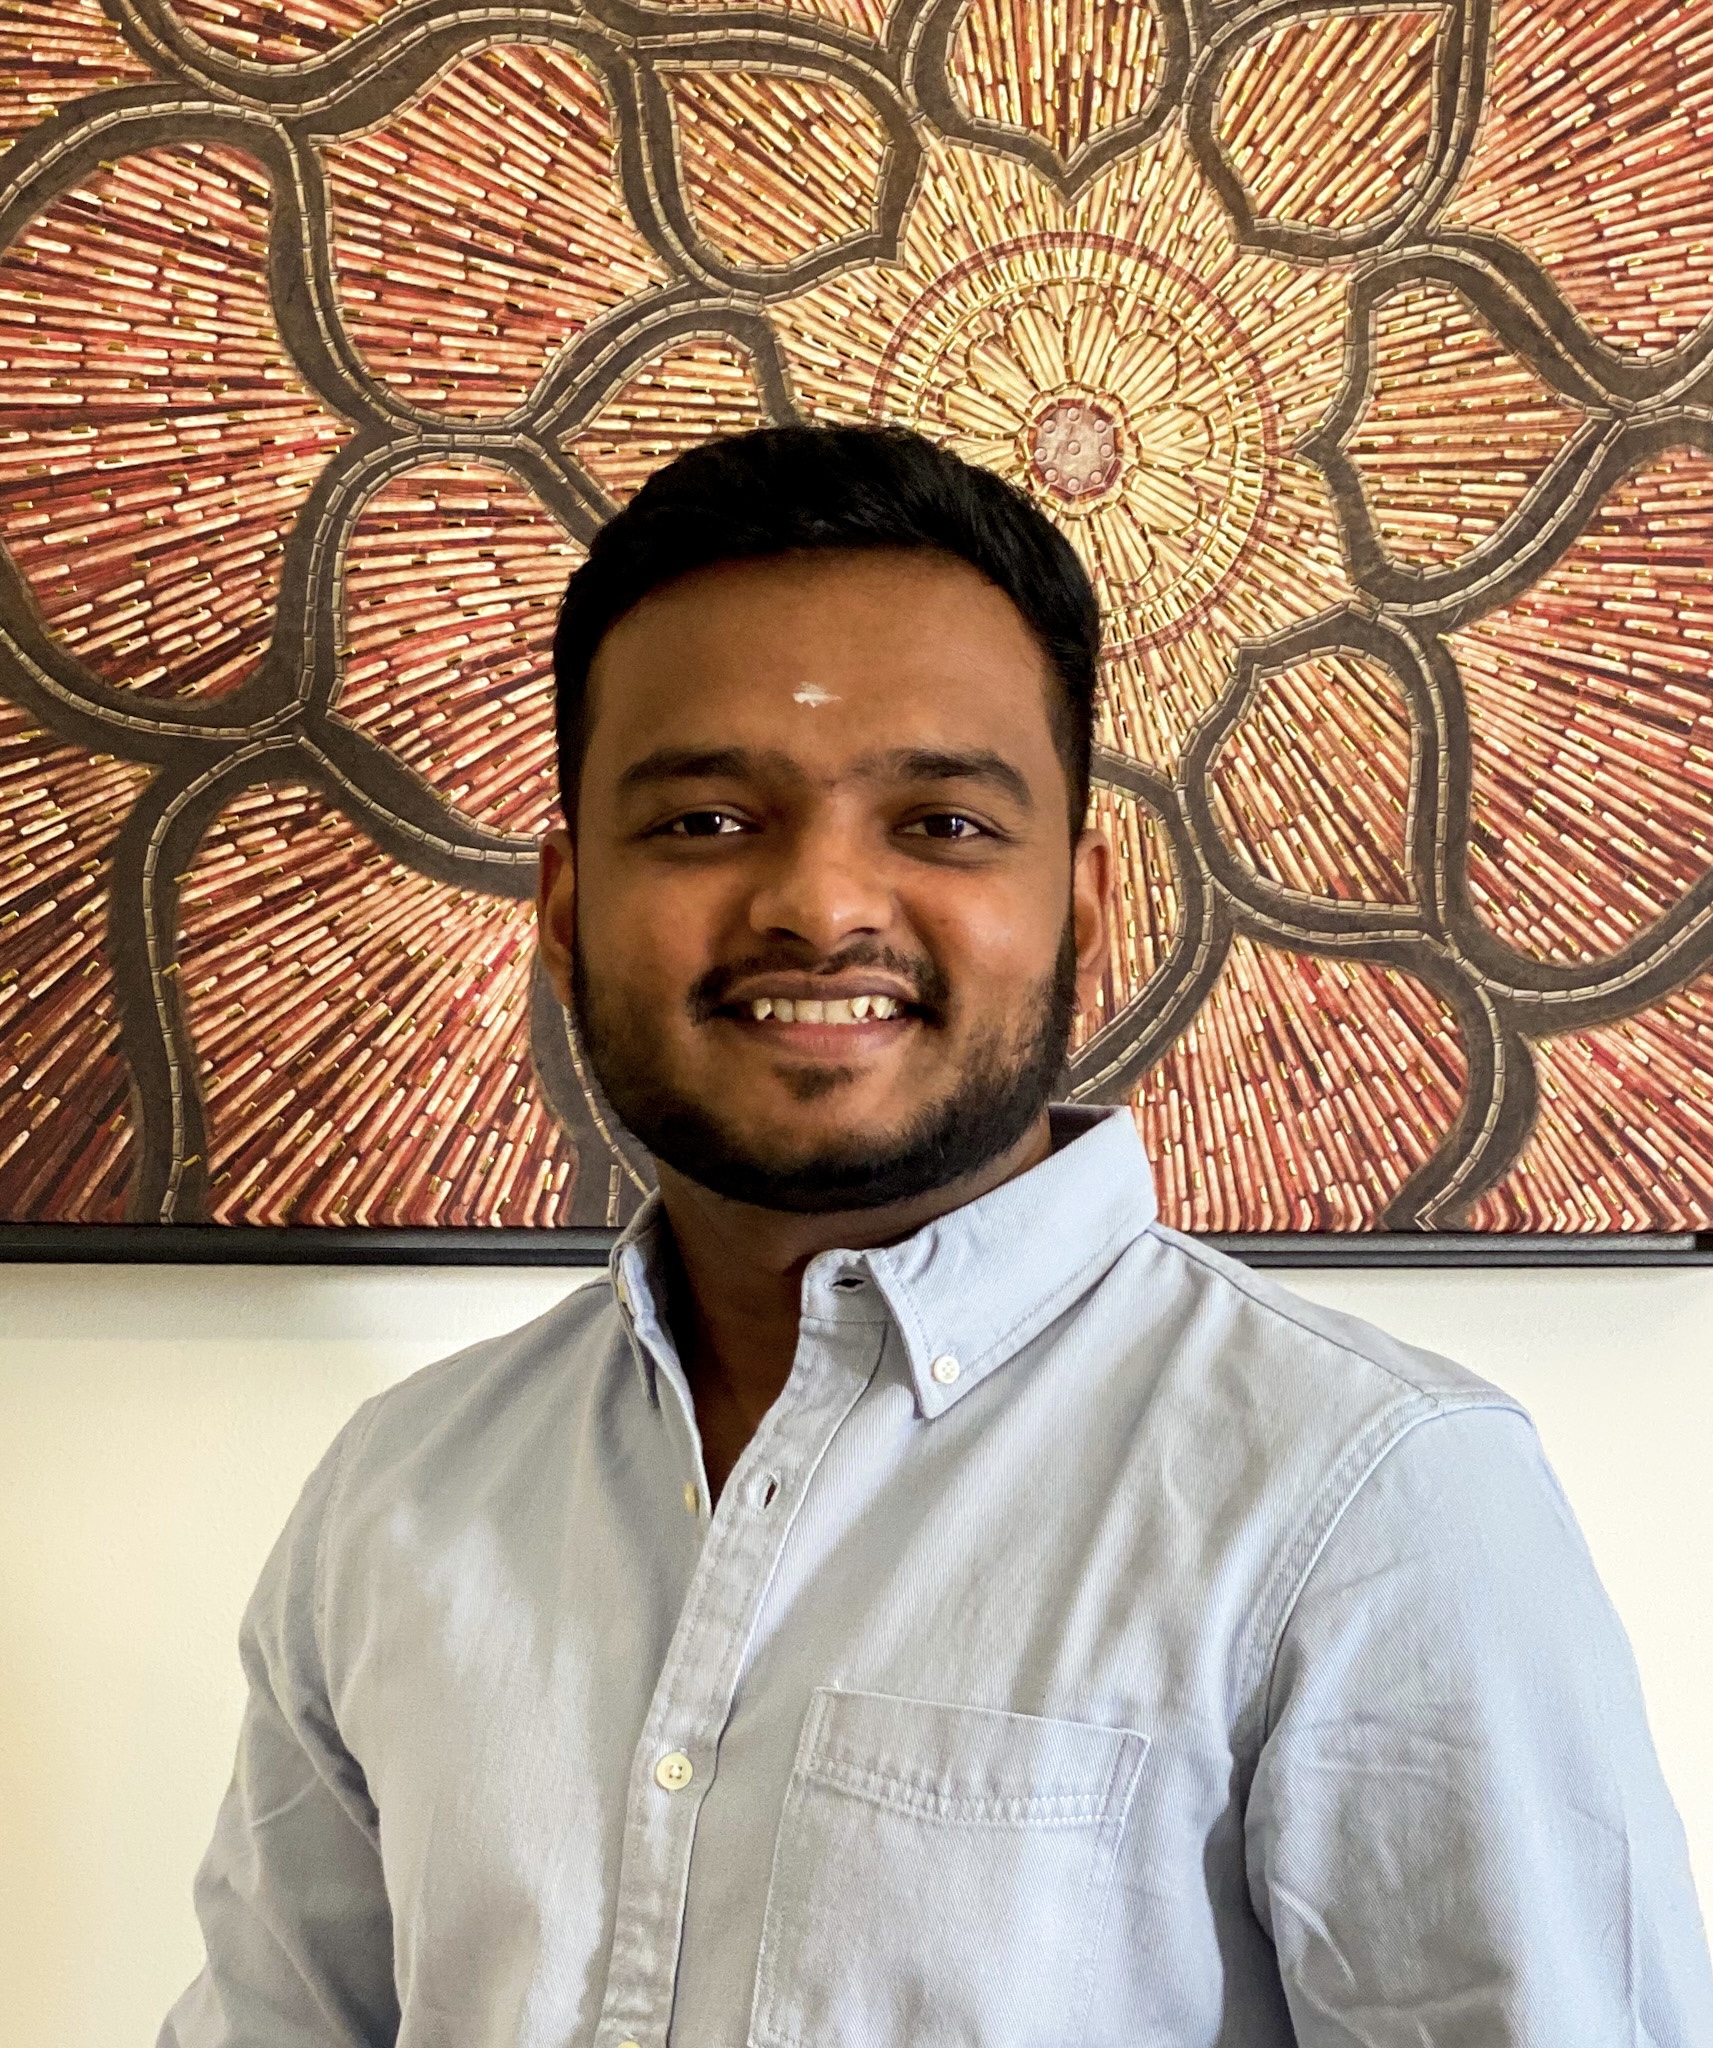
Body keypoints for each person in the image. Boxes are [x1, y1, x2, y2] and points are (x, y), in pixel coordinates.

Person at [161, 424, 1712, 2047]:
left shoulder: (1367, 1497)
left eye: (943, 824)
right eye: (703, 822)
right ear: (562, 907)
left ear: (1083, 906)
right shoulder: (402, 1495)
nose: (820, 905)